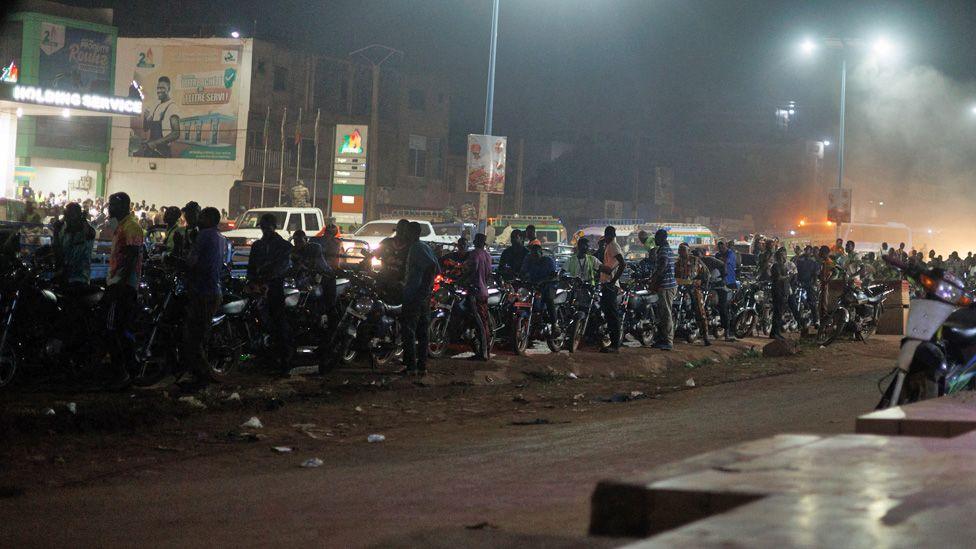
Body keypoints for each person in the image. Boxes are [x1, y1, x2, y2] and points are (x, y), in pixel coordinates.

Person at [180, 207, 226, 392]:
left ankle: (201, 378)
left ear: (210, 219)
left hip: (203, 291)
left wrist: (180, 261)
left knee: (194, 336)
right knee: (199, 334)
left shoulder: (205, 235)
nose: (199, 218)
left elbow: (192, 261)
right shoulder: (218, 236)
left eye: (203, 215)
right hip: (212, 290)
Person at [103, 192, 144, 389]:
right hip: (119, 283)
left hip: (123, 286)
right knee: (119, 329)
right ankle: (130, 370)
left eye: (113, 204)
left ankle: (123, 372)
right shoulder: (120, 226)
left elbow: (131, 258)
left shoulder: (131, 227)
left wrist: (120, 284)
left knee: (114, 329)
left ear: (124, 206)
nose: (109, 207)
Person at [247, 213, 293, 374]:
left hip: (274, 288)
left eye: (267, 226)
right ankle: (264, 356)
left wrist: (265, 281)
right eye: (263, 226)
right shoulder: (257, 246)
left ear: (274, 227)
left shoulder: (283, 246)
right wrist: (252, 282)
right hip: (259, 289)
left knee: (279, 323)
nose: (264, 229)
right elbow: (251, 268)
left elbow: (281, 268)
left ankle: (284, 361)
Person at [400, 222, 439, 376]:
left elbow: (431, 267)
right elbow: (436, 267)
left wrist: (422, 289)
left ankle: (411, 367)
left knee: (409, 330)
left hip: (415, 296)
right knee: (422, 332)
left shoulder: (417, 248)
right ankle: (422, 365)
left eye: (405, 232)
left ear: (412, 233)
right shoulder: (425, 247)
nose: (403, 235)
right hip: (423, 296)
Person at [291, 229, 334, 319]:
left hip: (315, 276)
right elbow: (288, 264)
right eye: (295, 241)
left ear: (306, 240)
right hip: (298, 279)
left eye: (300, 241)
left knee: (321, 291)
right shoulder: (293, 251)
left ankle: (325, 313)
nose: (298, 244)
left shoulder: (314, 248)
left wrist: (323, 271)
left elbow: (321, 263)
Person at [463, 233, 493, 361]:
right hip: (484, 291)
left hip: (476, 292)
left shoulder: (475, 254)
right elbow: (488, 274)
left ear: (477, 242)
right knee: (482, 320)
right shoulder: (487, 256)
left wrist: (462, 280)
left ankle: (484, 353)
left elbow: (471, 269)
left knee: (481, 323)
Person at [51, 202, 95, 286]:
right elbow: (56, 249)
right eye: (67, 215)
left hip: (79, 278)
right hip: (63, 275)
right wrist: (56, 232)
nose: (68, 218)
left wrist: (83, 219)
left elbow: (90, 234)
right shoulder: (64, 230)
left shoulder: (86, 230)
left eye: (71, 215)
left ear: (79, 215)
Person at [520, 239, 560, 333]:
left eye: (536, 255)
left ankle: (555, 324)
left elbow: (553, 275)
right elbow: (523, 271)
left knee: (549, 299)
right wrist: (521, 277)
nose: (534, 257)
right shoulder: (528, 259)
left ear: (541, 253)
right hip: (533, 286)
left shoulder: (548, 261)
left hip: (548, 285)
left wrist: (543, 281)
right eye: (532, 255)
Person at [675, 243, 711, 346]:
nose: (680, 252)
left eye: (682, 250)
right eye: (679, 250)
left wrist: (702, 283)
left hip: (694, 289)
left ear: (688, 251)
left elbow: (706, 273)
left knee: (700, 311)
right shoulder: (677, 263)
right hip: (680, 289)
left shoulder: (695, 260)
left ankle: (705, 337)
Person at [136, 75, 181, 157]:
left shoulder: (172, 107)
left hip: (162, 152)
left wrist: (155, 143)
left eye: (162, 88)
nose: (159, 90)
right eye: (158, 88)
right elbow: (146, 128)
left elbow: (176, 133)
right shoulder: (157, 106)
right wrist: (145, 118)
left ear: (169, 89)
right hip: (151, 150)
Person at [597, 226, 625, 353]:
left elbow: (622, 263)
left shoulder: (613, 246)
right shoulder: (610, 246)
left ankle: (615, 345)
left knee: (612, 315)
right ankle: (611, 342)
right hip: (607, 284)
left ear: (609, 235)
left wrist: (613, 281)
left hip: (610, 285)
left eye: (606, 235)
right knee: (608, 314)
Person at [650, 229, 677, 350]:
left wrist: (654, 279)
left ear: (662, 238)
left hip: (666, 286)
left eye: (656, 237)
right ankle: (662, 338)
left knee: (666, 314)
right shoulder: (666, 248)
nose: (655, 240)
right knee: (662, 313)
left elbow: (663, 265)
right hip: (667, 285)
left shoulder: (664, 250)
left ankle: (668, 341)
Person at [377, 219, 412, 299]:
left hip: (401, 283)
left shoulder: (412, 247)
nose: (401, 234)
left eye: (404, 232)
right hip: (383, 278)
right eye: (400, 231)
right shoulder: (386, 242)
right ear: (396, 231)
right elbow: (373, 254)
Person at [713, 241, 737, 341]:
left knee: (725, 307)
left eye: (722, 246)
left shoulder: (730, 253)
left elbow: (725, 263)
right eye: (719, 247)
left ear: (726, 246)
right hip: (717, 283)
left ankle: (728, 332)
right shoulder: (717, 255)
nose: (721, 248)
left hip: (729, 282)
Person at [794, 245, 822, 329]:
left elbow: (815, 274)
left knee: (812, 302)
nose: (807, 252)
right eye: (806, 250)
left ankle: (816, 320)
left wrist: (813, 283)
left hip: (809, 284)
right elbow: (795, 272)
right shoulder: (799, 261)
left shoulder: (814, 263)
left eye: (809, 251)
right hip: (799, 284)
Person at [770, 247, 791, 340]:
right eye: (783, 255)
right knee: (777, 313)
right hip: (778, 291)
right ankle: (775, 333)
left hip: (782, 291)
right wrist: (787, 276)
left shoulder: (782, 265)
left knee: (779, 313)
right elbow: (778, 278)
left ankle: (775, 332)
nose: (785, 256)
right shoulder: (776, 266)